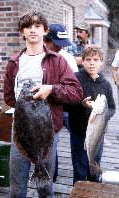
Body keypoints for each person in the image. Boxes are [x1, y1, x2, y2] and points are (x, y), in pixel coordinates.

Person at [4, 11, 83, 198]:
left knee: (46, 188)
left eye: (38, 26)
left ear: (45, 31)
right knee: (16, 187)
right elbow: (8, 97)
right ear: (21, 32)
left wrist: (51, 90)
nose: (33, 30)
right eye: (28, 26)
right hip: (20, 130)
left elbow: (76, 93)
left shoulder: (58, 61)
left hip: (48, 131)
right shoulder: (13, 62)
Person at [68, 45, 115, 184]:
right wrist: (80, 104)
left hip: (98, 134)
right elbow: (66, 103)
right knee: (80, 167)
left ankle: (94, 185)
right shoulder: (75, 78)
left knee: (94, 162)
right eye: (88, 59)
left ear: (101, 62)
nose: (92, 63)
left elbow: (112, 107)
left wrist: (105, 114)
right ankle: (79, 187)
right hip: (78, 132)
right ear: (82, 61)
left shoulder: (106, 84)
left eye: (95, 59)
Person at [44, 23, 78, 183]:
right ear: (46, 39)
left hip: (68, 109)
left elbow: (75, 87)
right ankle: (53, 176)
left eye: (62, 45)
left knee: (78, 139)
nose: (59, 48)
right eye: (57, 44)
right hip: (48, 112)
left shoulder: (67, 58)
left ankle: (80, 177)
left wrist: (53, 89)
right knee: (51, 145)